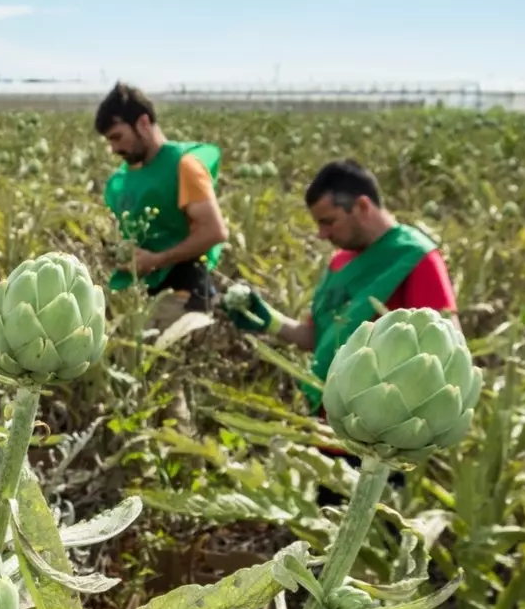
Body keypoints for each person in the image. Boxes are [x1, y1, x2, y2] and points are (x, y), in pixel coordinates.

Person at [221, 158, 459, 415]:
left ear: (362, 206)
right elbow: (318, 338)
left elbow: (447, 346)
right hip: (324, 417)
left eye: (328, 221)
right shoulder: (340, 261)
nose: (321, 234)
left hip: (378, 424)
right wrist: (268, 319)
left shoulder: (415, 258)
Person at [94, 82, 231, 328]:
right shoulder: (124, 178)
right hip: (148, 290)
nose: (114, 148)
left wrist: (157, 259)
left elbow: (215, 231)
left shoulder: (184, 165)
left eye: (117, 137)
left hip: (184, 292)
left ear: (143, 123)